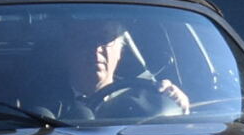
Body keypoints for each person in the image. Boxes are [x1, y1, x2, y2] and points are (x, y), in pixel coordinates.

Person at [41, 10, 192, 121]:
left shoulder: (147, 101)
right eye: (84, 40)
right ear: (66, 51)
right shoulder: (34, 103)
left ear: (120, 51)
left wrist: (177, 105)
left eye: (105, 39)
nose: (96, 49)